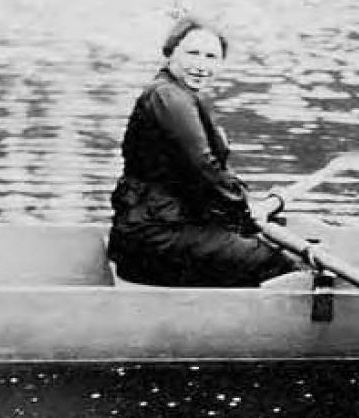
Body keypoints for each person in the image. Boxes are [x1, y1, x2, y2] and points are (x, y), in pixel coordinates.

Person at [107, 17, 300, 287]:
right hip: (153, 238)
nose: (201, 65)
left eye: (211, 57)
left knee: (251, 240)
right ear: (170, 53)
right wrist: (243, 208)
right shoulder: (168, 97)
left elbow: (205, 176)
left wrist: (241, 207)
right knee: (275, 263)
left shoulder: (183, 96)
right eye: (192, 53)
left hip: (161, 229)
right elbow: (203, 166)